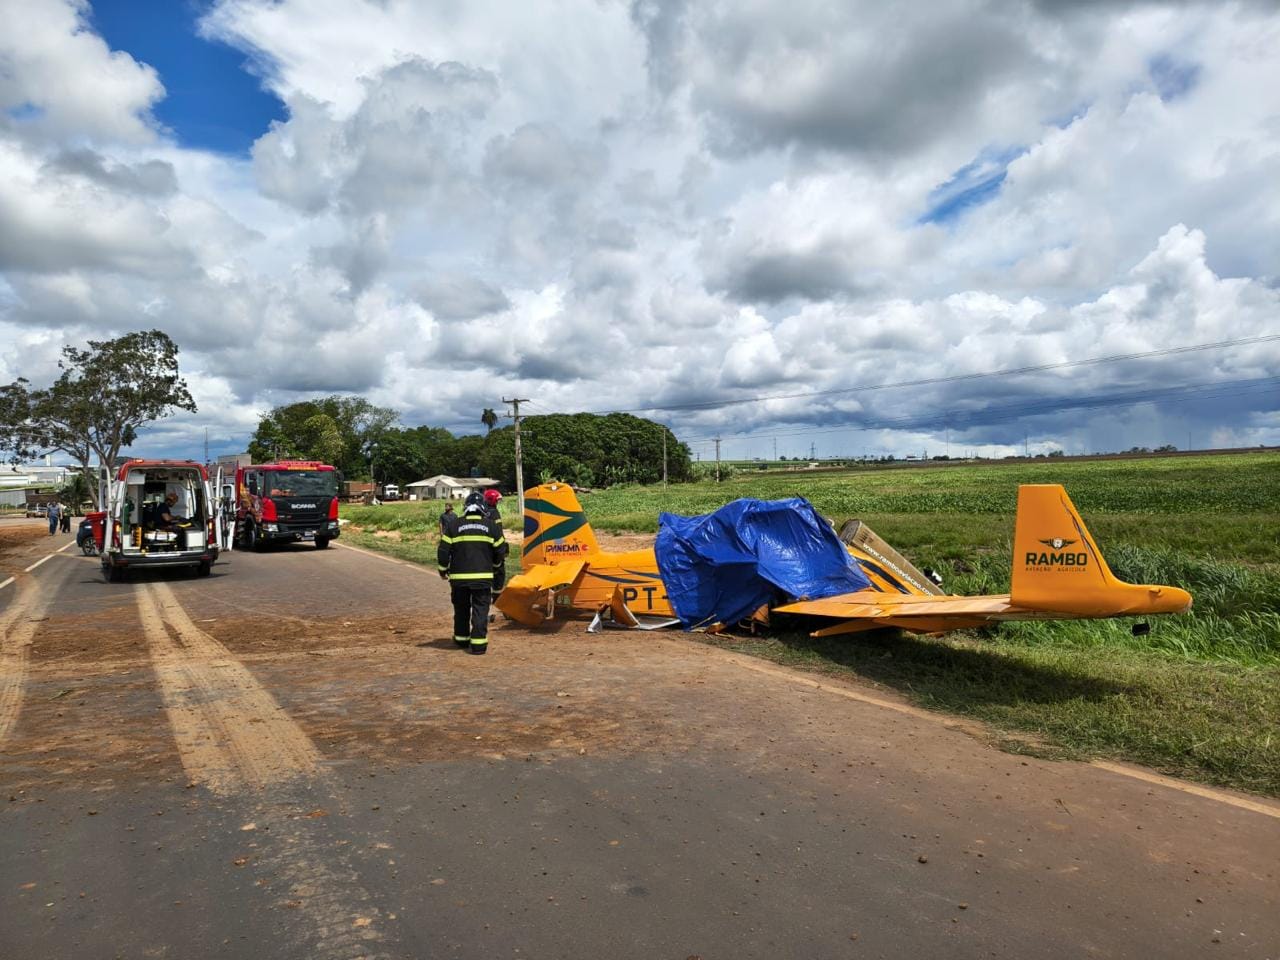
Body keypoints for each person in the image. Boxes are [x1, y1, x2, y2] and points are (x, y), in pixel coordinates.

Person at [437, 491, 508, 655]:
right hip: (483, 578)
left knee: (461, 609)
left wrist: (442, 569)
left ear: (466, 508)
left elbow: (443, 550)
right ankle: (478, 644)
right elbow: (500, 550)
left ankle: (461, 639)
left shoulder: (454, 525)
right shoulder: (491, 526)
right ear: (483, 508)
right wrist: (496, 565)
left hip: (459, 579)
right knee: (480, 609)